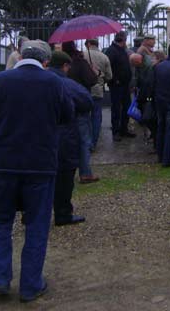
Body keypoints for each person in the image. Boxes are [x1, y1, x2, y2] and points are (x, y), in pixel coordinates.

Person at [0, 40, 73, 303]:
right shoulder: (54, 83)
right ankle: (30, 285)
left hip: (4, 162)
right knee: (37, 224)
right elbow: (68, 114)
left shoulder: (0, 80)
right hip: (40, 163)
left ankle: (1, 279)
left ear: (21, 57)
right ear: (46, 61)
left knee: (0, 220)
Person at [49, 51, 93, 223]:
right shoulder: (66, 84)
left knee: (37, 177)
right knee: (64, 177)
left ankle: (30, 213)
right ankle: (62, 213)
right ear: (65, 66)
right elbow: (86, 101)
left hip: (37, 137)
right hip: (63, 135)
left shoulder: (34, 81)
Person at [62, 41, 99, 183]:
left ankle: (65, 169)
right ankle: (85, 173)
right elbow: (92, 80)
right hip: (80, 105)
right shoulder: (79, 62)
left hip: (64, 105)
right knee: (84, 140)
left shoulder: (61, 63)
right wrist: (93, 70)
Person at [105, 31, 135, 142]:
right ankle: (116, 131)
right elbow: (108, 68)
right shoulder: (112, 51)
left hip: (125, 84)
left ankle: (124, 129)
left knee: (126, 108)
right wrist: (114, 80)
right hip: (116, 85)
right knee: (116, 109)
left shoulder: (121, 50)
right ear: (123, 40)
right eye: (126, 39)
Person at [85, 38, 113, 150]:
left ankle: (85, 141)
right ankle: (93, 143)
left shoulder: (82, 55)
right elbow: (109, 76)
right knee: (96, 116)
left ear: (88, 44)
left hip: (84, 90)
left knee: (84, 117)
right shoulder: (104, 57)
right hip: (98, 90)